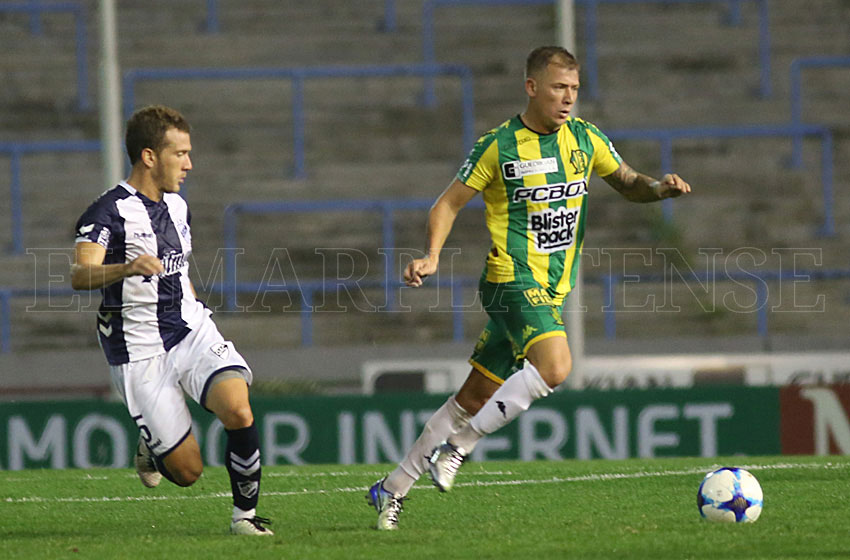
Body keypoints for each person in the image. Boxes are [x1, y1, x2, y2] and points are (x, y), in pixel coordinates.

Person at [366, 46, 691, 530]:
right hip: (509, 279)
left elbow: (626, 182)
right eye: (559, 88)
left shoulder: (585, 140)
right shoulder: (500, 145)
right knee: (556, 366)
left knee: (471, 398)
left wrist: (660, 189)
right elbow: (448, 203)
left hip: (551, 290)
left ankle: (391, 488)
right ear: (532, 87)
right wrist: (432, 254)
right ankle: (460, 447)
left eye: (575, 90)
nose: (568, 99)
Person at [71, 105, 273, 536]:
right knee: (186, 472)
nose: (189, 164)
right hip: (138, 348)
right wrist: (125, 268)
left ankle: (245, 519)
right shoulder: (106, 213)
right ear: (149, 156)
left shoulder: (179, 208)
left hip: (189, 329)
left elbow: (178, 272)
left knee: (238, 408)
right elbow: (80, 274)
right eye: (179, 154)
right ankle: (154, 445)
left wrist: (199, 313)